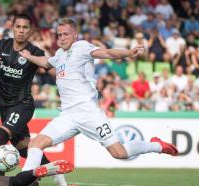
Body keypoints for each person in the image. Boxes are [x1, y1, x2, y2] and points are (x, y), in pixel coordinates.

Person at [19, 18, 178, 173]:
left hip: (89, 113)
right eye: (59, 35)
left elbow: (107, 53)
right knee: (35, 145)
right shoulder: (60, 54)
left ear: (75, 35)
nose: (62, 38)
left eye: (66, 34)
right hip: (68, 115)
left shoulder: (81, 47)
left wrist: (129, 52)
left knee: (119, 153)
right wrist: (29, 57)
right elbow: (47, 62)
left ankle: (156, 145)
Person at [0, 14, 67, 186]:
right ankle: (54, 169)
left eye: (25, 28)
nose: (21, 31)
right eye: (18, 27)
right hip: (4, 106)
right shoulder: (0, 45)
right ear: (13, 28)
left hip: (23, 104)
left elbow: (52, 70)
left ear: (30, 31)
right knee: (25, 149)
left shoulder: (34, 51)